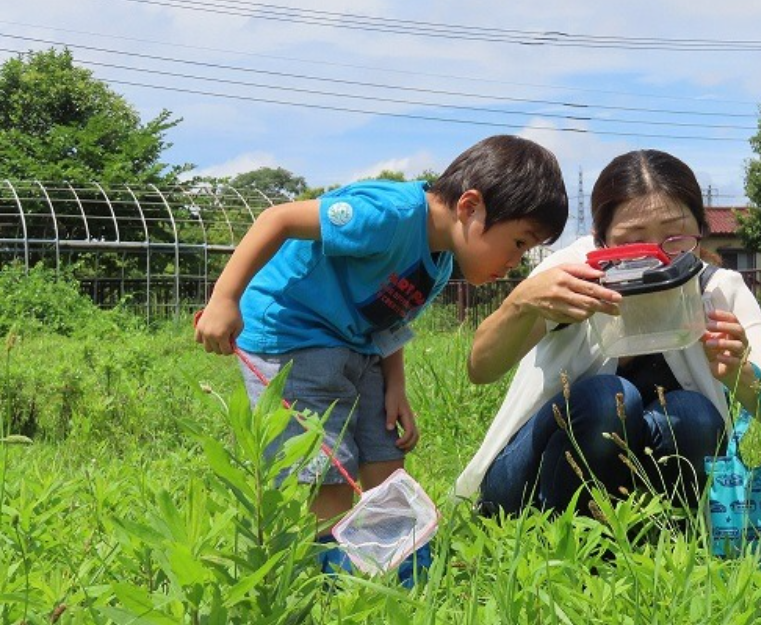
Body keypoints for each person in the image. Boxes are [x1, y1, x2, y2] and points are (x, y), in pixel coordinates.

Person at [194, 135, 568, 582]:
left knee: (385, 460)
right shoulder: (388, 215)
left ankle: (399, 568)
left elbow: (390, 318)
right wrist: (225, 298)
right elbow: (279, 219)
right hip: (292, 335)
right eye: (519, 242)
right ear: (470, 207)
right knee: (326, 475)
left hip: (357, 345)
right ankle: (328, 580)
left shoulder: (439, 262)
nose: (517, 262)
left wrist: (396, 386)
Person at [455, 149, 761, 518]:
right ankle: (561, 533)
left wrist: (739, 373)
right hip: (525, 485)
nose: (655, 257)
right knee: (609, 398)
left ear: (700, 230)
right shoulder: (572, 275)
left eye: (675, 237)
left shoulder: (718, 290)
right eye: (633, 241)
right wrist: (521, 303)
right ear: (600, 239)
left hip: (636, 490)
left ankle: (669, 531)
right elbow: (481, 368)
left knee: (695, 416)